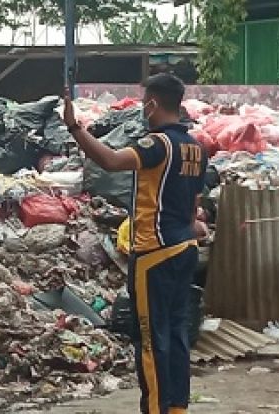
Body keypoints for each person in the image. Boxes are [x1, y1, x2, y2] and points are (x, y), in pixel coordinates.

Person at [63, 74, 205, 414]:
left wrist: (75, 128)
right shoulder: (196, 148)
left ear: (153, 103)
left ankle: (155, 409)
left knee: (151, 341)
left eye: (145, 102)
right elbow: (195, 206)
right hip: (186, 249)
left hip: (155, 254)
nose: (143, 109)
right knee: (176, 334)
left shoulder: (157, 144)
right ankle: (177, 408)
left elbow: (110, 161)